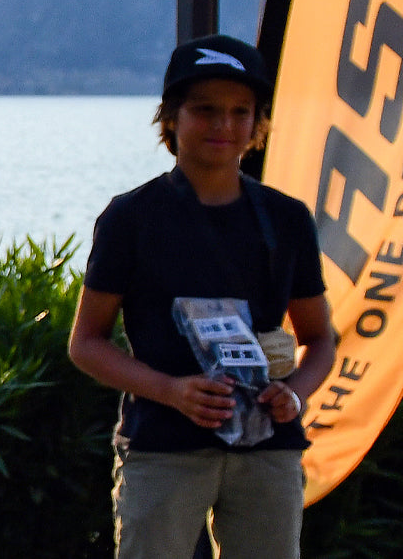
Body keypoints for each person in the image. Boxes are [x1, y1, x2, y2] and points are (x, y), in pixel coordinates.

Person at [68, 34, 335, 559]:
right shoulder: (130, 217)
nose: (223, 125)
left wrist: (296, 394)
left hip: (268, 448)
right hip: (163, 447)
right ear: (171, 118)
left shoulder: (287, 218)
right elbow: (86, 344)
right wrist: (171, 391)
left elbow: (320, 339)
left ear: (258, 124)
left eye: (240, 112)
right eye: (205, 109)